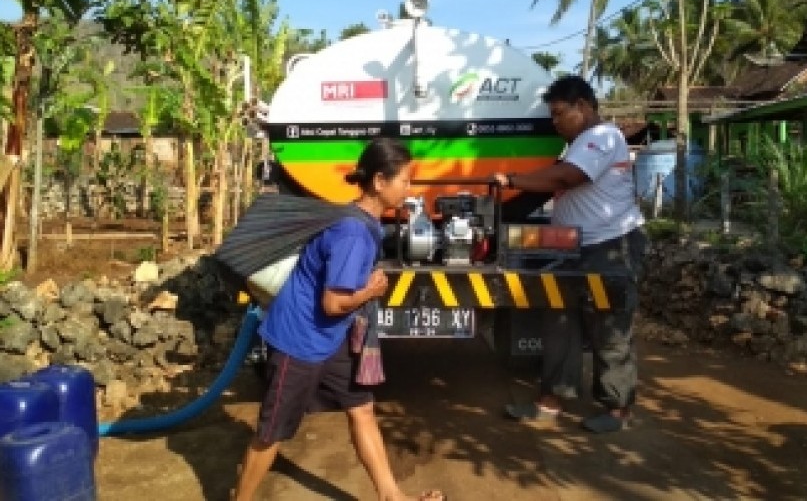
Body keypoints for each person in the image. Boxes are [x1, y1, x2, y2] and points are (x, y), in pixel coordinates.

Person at [233, 137, 446, 501]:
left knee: (362, 409)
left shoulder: (363, 221)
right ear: (380, 182)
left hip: (331, 339)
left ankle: (392, 497)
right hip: (299, 341)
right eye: (405, 181)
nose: (409, 188)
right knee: (272, 432)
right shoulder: (353, 233)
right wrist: (370, 291)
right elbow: (333, 303)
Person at [492, 75, 647, 433]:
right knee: (559, 322)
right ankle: (551, 401)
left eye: (560, 113)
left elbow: (567, 178)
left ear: (584, 106)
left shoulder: (604, 137)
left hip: (610, 244)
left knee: (609, 324)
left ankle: (617, 408)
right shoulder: (577, 143)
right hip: (572, 245)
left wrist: (511, 180)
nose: (555, 122)